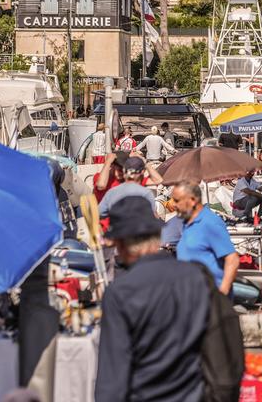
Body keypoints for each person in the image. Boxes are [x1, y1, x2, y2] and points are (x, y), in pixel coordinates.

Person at [95, 196, 210, 402]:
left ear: (121, 244)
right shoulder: (194, 276)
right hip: (193, 394)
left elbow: (113, 375)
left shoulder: (120, 292)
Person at [173, 181, 240, 294]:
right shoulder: (187, 223)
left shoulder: (210, 222)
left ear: (192, 200)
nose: (173, 205)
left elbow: (232, 259)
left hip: (210, 295)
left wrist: (222, 294)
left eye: (177, 200)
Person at [98, 154, 163, 217]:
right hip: (111, 221)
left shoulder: (133, 180)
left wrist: (144, 162)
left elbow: (158, 180)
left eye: (123, 168)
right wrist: (107, 163)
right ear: (112, 166)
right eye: (119, 169)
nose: (121, 172)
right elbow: (101, 185)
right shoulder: (102, 178)